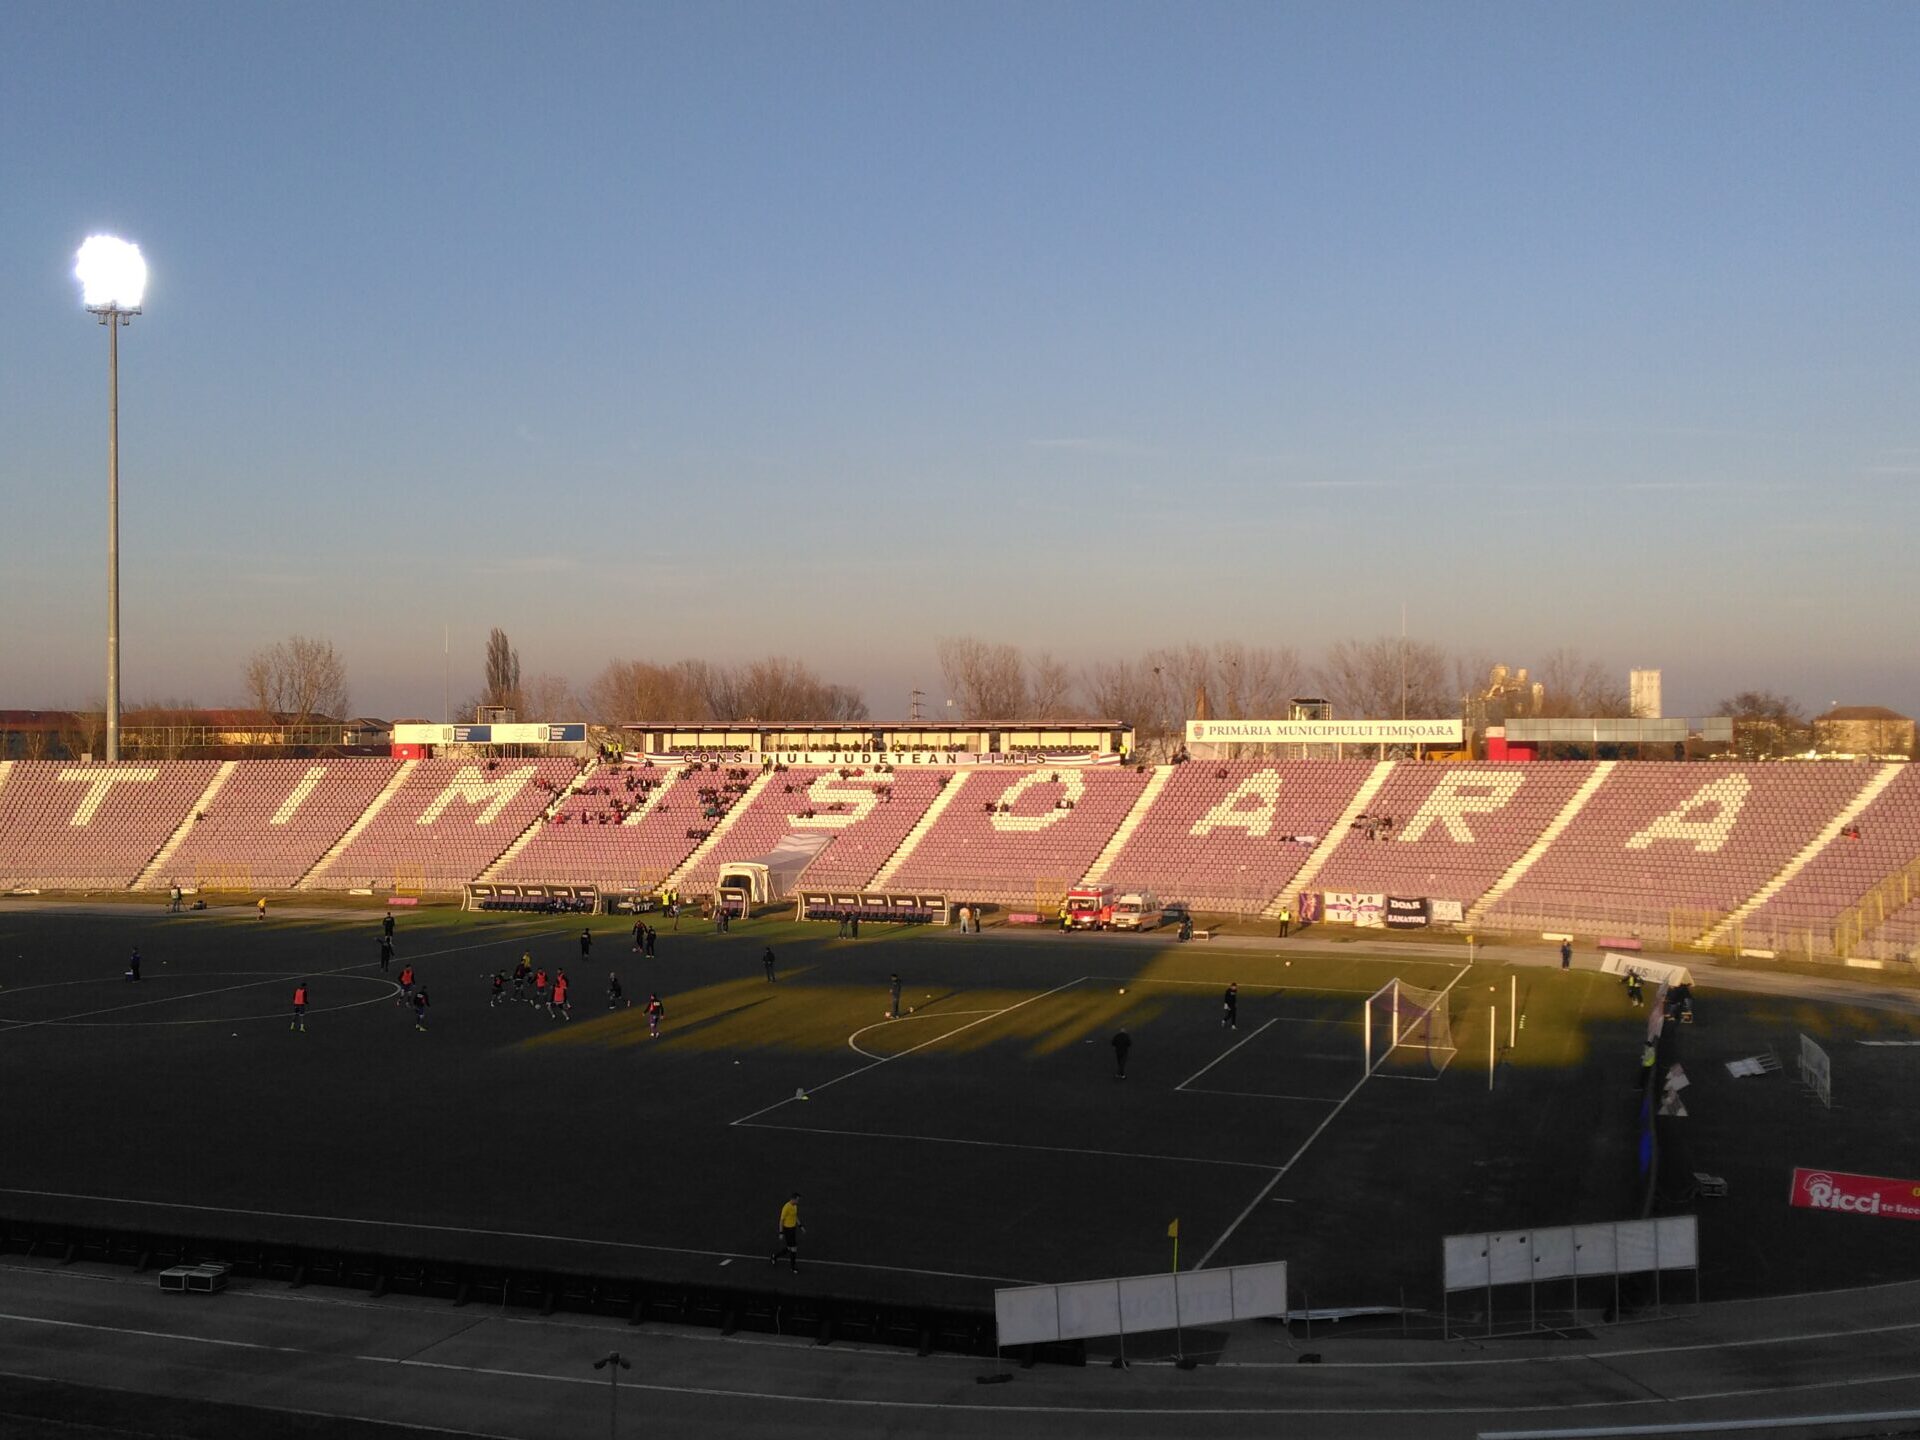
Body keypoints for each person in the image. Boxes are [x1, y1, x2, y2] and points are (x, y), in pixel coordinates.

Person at [769, 1192, 802, 1272]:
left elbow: (795, 1216)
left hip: (793, 1229)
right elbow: (781, 1221)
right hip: (788, 1230)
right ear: (793, 1199)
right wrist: (781, 1232)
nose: (798, 1201)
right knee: (793, 1248)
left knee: (789, 1248)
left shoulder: (794, 1206)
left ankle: (774, 1256)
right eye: (797, 1200)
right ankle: (793, 1267)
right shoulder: (786, 1207)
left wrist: (800, 1225)